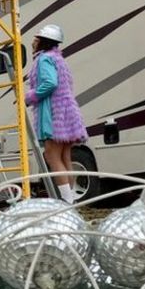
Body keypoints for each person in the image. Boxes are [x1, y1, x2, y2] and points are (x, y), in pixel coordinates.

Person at [24, 24, 88, 203]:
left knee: (52, 156)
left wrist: (29, 97)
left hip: (53, 113)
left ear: (42, 41)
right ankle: (72, 199)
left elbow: (50, 83)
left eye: (36, 39)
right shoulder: (59, 59)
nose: (33, 42)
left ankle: (67, 202)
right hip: (67, 112)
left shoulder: (43, 59)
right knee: (65, 157)